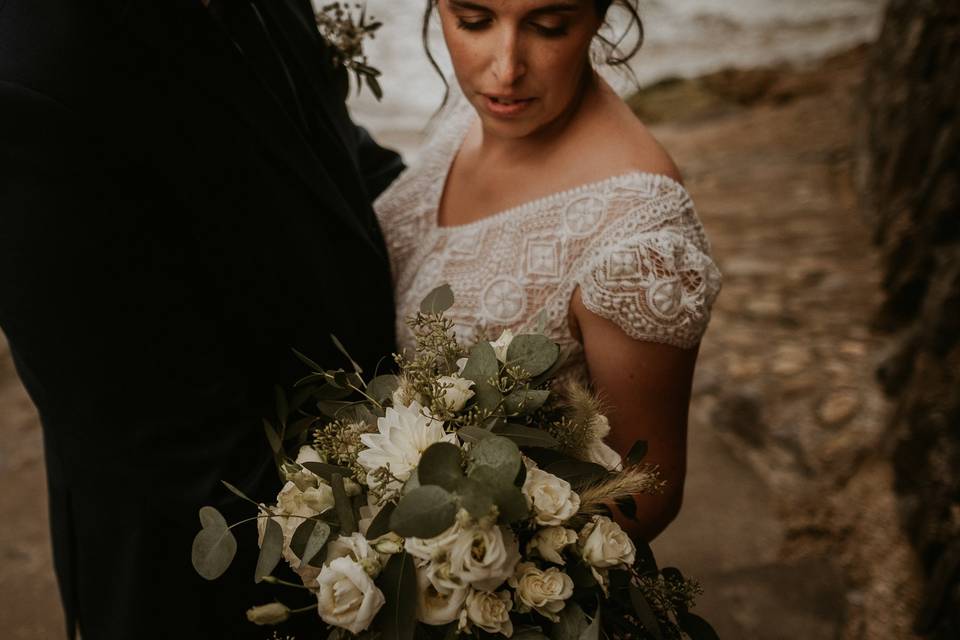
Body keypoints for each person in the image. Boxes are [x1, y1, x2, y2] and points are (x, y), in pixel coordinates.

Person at [0, 0, 402, 637]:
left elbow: (336, 155)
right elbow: (171, 451)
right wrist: (413, 547)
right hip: (219, 580)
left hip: (376, 438)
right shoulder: (34, 85)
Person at [375, 0, 722, 542]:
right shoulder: (483, 108)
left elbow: (644, 495)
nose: (506, 68)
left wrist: (455, 568)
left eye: (548, 26)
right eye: (473, 21)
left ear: (600, 12)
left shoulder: (641, 242)